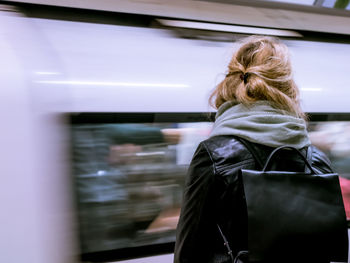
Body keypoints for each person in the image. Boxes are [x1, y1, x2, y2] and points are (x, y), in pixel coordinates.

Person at [174, 36, 337, 263]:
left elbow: (189, 251)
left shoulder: (213, 156)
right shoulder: (317, 161)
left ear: (231, 82)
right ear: (288, 87)